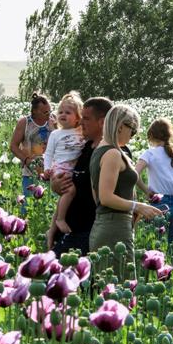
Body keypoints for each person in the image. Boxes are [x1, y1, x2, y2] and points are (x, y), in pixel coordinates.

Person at [89, 105, 162, 277]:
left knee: (112, 290)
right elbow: (105, 197)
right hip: (114, 228)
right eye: (133, 130)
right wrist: (137, 207)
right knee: (122, 290)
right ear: (121, 125)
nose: (132, 135)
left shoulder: (100, 150)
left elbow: (97, 196)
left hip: (109, 223)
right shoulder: (112, 154)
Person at [47, 97, 114, 256]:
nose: (81, 122)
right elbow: (67, 188)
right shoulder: (83, 149)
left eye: (86, 118)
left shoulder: (112, 153)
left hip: (90, 233)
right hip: (68, 230)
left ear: (102, 122)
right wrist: (52, 228)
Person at [135, 118, 173, 276]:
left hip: (157, 205)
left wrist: (146, 190)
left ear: (151, 136)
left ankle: (157, 283)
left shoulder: (149, 154)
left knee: (155, 251)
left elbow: (134, 174)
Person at [43, 92, 86, 235]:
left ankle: (60, 218)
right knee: (70, 190)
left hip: (74, 168)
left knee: (70, 191)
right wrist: (47, 169)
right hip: (61, 167)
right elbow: (48, 153)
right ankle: (60, 219)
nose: (63, 115)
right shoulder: (56, 134)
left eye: (68, 112)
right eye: (60, 112)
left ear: (78, 117)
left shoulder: (81, 132)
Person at [10, 92, 56, 214]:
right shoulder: (24, 123)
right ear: (35, 111)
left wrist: (55, 127)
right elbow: (13, 146)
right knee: (28, 205)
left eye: (49, 111)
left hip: (51, 171)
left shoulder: (54, 121)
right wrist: (26, 160)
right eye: (44, 112)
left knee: (51, 205)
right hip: (30, 171)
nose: (48, 114)